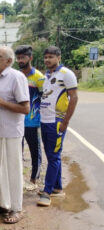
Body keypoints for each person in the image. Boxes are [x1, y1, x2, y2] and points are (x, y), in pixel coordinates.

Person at [0, 46, 29, 224]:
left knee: (12, 170)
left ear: (8, 61)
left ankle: (16, 208)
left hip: (10, 132)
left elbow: (25, 108)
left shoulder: (16, 77)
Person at [37, 46, 78, 207]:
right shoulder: (47, 75)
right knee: (51, 155)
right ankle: (57, 187)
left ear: (58, 57)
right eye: (46, 57)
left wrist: (66, 121)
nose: (47, 60)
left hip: (57, 121)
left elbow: (74, 98)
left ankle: (47, 192)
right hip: (44, 120)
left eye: (51, 57)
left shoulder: (66, 74)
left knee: (54, 156)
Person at [15, 45, 45, 184]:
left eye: (23, 57)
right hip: (16, 121)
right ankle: (18, 178)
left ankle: (34, 178)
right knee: (16, 151)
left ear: (30, 58)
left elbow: (44, 98)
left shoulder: (38, 77)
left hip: (32, 121)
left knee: (35, 150)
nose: (20, 60)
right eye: (18, 57)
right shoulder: (16, 76)